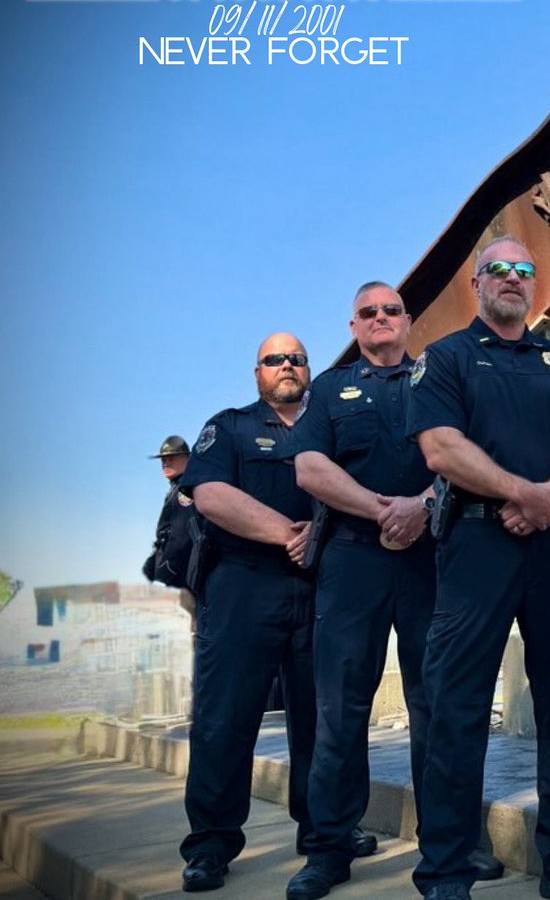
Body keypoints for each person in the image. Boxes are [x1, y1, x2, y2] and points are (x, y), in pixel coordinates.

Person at [407, 238, 550, 900]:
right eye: (497, 268)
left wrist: (547, 495)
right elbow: (441, 447)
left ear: (535, 286)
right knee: (456, 707)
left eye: (523, 270)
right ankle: (446, 866)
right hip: (476, 544)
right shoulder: (445, 358)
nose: (511, 278)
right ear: (477, 283)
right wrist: (516, 491)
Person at [285, 282, 489, 900]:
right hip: (353, 562)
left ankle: (450, 844)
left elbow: (466, 453)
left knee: (439, 704)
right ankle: (328, 848)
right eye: (368, 312)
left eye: (391, 310)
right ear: (354, 324)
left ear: (407, 321)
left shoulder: (441, 376)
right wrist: (384, 510)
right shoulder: (328, 389)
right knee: (339, 708)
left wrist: (423, 507)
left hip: (432, 558)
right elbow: (309, 467)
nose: (380, 319)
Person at [178, 333, 317, 893]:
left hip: (319, 588)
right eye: (274, 359)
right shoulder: (230, 427)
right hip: (242, 585)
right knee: (225, 719)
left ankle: (324, 830)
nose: (287, 365)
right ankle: (210, 844)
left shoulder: (327, 425)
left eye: (297, 358)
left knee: (323, 719)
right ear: (256, 372)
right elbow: (210, 494)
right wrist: (289, 534)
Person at [142, 434, 198, 619]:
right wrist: (151, 566)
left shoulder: (185, 490)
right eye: (163, 459)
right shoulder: (176, 489)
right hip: (177, 579)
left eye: (172, 457)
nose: (165, 462)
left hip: (182, 578)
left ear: (187, 458)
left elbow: (181, 537)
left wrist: (163, 575)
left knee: (187, 634)